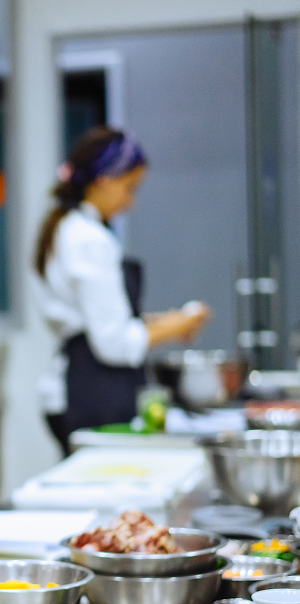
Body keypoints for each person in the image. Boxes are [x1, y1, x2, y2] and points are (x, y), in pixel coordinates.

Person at [33, 126, 210, 454]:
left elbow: (98, 318)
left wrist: (163, 321)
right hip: (91, 393)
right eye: (129, 188)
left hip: (78, 388)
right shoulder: (89, 239)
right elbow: (112, 343)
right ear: (104, 180)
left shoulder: (66, 227)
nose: (130, 202)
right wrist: (175, 327)